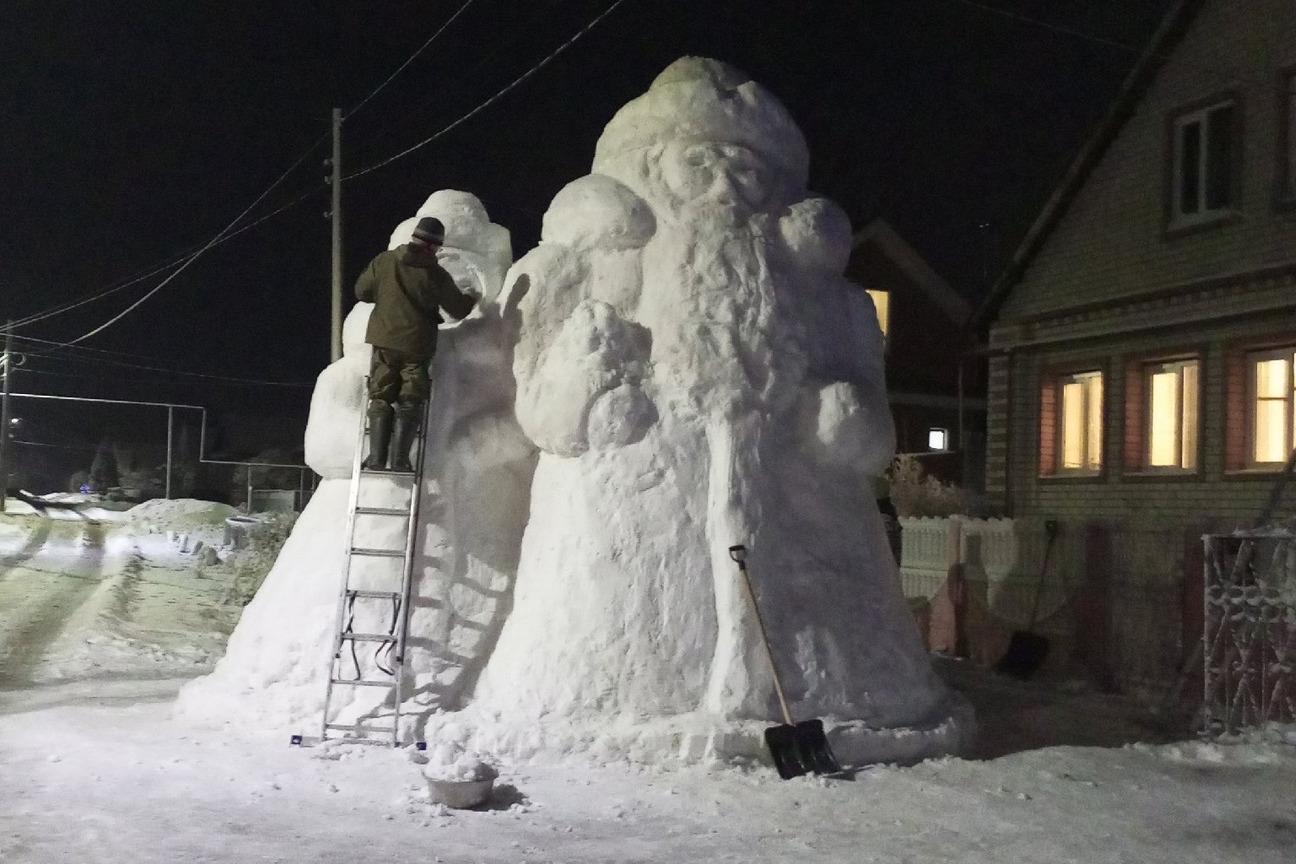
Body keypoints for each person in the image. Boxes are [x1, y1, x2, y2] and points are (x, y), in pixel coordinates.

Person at [354, 216, 477, 472]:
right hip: (417, 345)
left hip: (384, 341)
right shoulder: (436, 274)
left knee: (380, 396)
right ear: (434, 246)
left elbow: (361, 291)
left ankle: (376, 459)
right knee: (410, 399)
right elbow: (458, 310)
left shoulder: (384, 261)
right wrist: (471, 297)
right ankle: (399, 460)